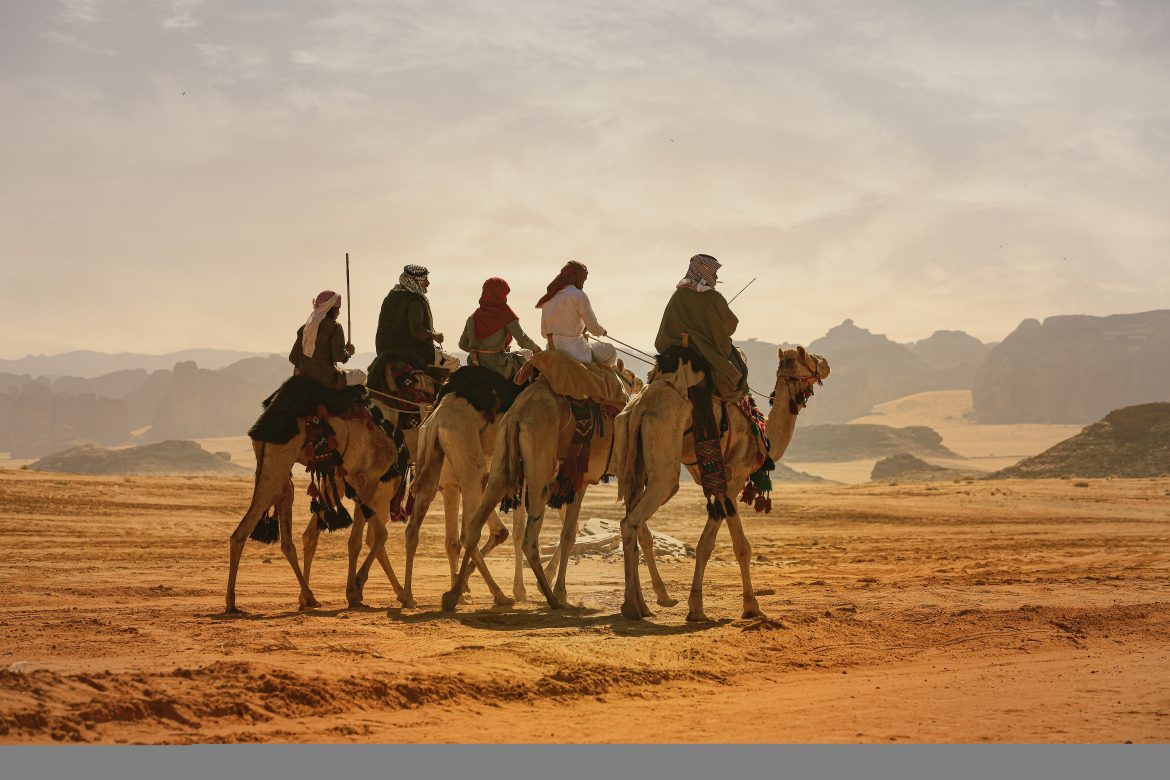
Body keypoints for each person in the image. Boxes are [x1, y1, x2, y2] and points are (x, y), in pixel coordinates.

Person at [654, 253, 748, 401]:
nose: (716, 277)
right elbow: (731, 327)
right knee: (738, 373)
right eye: (714, 272)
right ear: (704, 271)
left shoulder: (678, 295)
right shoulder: (713, 297)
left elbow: (666, 329)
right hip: (706, 352)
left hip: (674, 352)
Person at [458, 277, 541, 380]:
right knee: (527, 354)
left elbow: (462, 344)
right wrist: (538, 351)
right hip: (499, 365)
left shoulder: (473, 317)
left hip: (475, 364)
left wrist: (480, 352)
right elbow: (523, 341)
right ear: (499, 294)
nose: (506, 298)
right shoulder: (506, 315)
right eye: (504, 295)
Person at [536, 260, 616, 364]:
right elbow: (593, 328)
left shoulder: (548, 299)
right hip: (576, 353)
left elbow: (544, 333)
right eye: (583, 279)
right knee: (611, 350)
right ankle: (598, 377)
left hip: (552, 351)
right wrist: (602, 331)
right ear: (576, 277)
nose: (583, 282)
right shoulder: (579, 295)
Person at [289, 290, 366, 390]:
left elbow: (293, 358)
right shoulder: (335, 327)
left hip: (304, 378)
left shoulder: (305, 328)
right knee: (361, 375)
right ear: (333, 310)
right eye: (338, 309)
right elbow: (338, 357)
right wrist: (348, 352)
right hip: (327, 379)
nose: (339, 312)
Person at [375, 264, 443, 369]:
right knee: (453, 362)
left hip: (384, 351)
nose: (428, 283)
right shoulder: (414, 301)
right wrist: (434, 336)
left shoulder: (391, 296)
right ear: (414, 281)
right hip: (411, 353)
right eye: (424, 279)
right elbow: (416, 330)